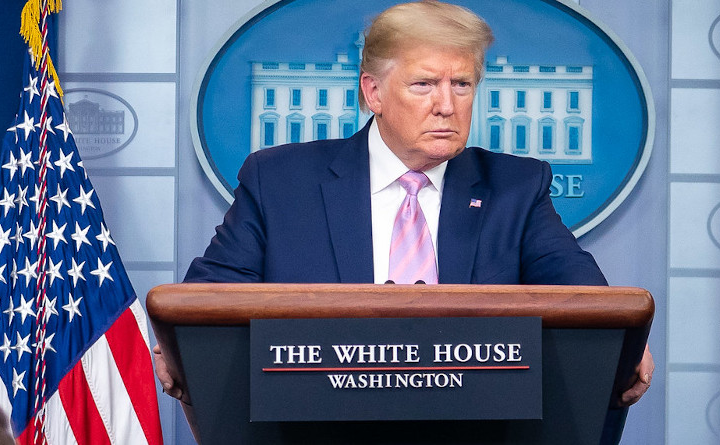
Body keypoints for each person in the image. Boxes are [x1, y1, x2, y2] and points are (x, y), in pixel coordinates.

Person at [155, 0, 653, 438]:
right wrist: (179, 348)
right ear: (372, 92)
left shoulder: (515, 188)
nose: (446, 105)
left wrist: (618, 348)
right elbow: (212, 297)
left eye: (462, 84)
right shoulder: (280, 180)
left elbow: (584, 298)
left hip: (478, 430)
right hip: (310, 429)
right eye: (424, 84)